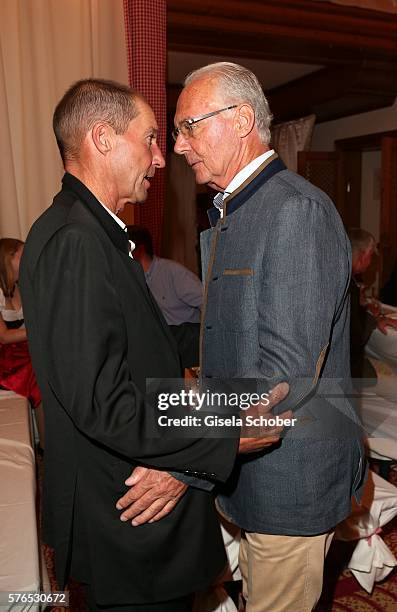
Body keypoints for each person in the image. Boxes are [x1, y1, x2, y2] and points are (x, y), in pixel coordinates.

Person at [19, 78, 289, 611]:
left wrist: (213, 338)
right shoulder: (76, 240)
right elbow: (103, 402)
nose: (161, 159)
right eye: (148, 139)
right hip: (125, 517)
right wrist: (223, 432)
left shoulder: (89, 231)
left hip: (124, 513)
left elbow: (128, 346)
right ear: (102, 138)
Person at [173, 62, 366, 612]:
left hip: (289, 481)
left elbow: (282, 373)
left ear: (239, 120)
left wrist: (186, 444)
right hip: (248, 471)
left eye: (189, 126)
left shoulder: (294, 210)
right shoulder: (239, 209)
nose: (180, 146)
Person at [127, 224, 202, 368]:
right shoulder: (134, 278)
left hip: (186, 350)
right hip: (160, 350)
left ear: (139, 249)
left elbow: (207, 302)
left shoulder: (173, 273)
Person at [0, 238, 44, 446]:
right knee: (37, 371)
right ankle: (46, 443)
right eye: (22, 255)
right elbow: (4, 336)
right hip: (6, 356)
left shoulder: (22, 287)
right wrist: (39, 331)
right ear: (9, 258)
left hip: (24, 349)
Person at [348, 228, 397, 380]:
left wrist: (364, 308)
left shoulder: (348, 280)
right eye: (370, 257)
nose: (370, 264)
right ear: (362, 256)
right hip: (346, 368)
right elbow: (354, 338)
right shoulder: (348, 286)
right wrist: (375, 320)